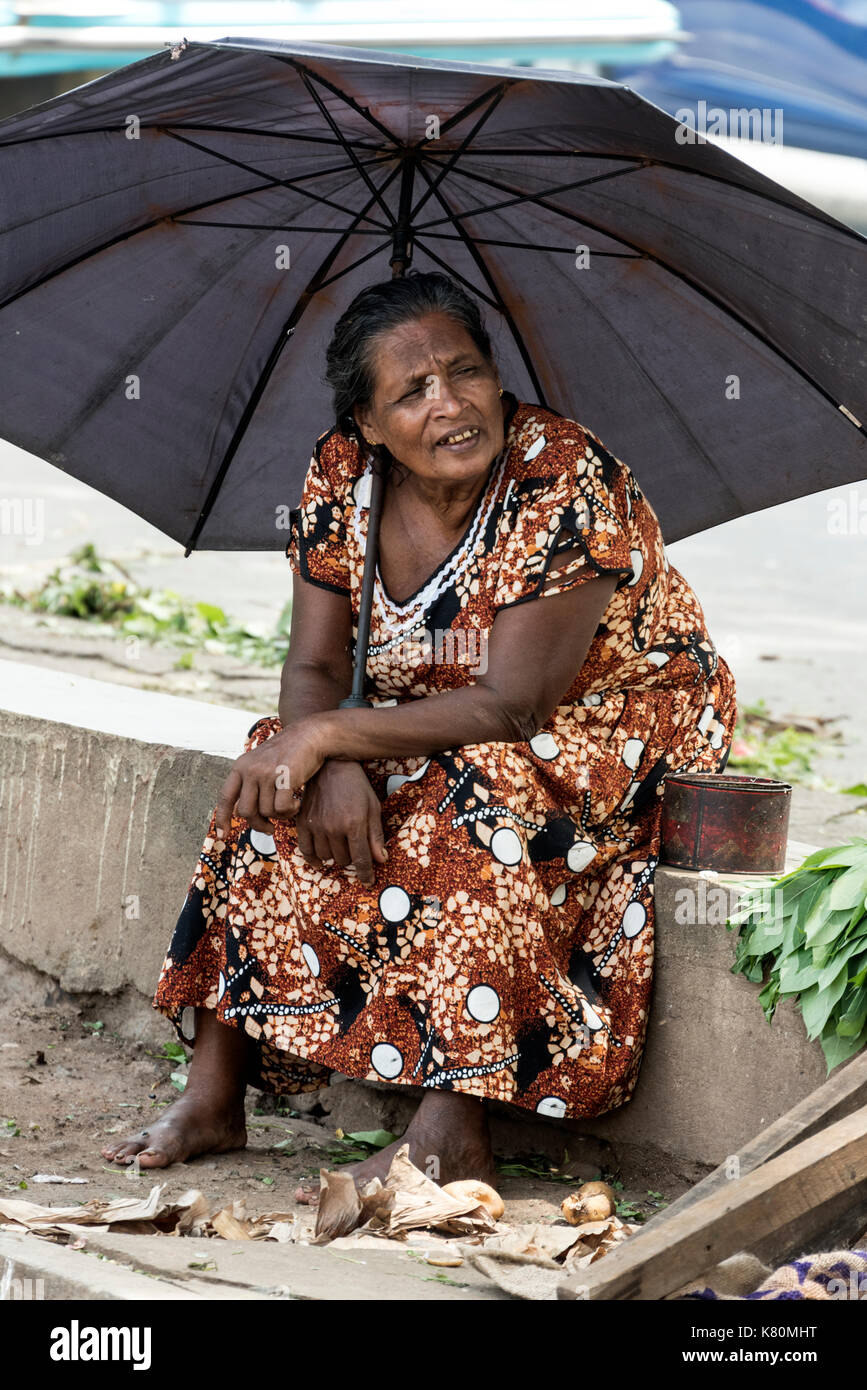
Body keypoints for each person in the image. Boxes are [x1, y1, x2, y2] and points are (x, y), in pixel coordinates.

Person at [102, 270, 737, 1198]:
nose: (450, 403)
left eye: (466, 371)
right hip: (422, 710)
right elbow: (316, 671)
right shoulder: (338, 474)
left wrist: (339, 741)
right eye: (411, 390)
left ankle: (450, 1129)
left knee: (473, 792)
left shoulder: (563, 476)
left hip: (611, 719)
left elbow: (515, 707)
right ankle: (214, 1092)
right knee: (266, 766)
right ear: (365, 422)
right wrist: (323, 752)